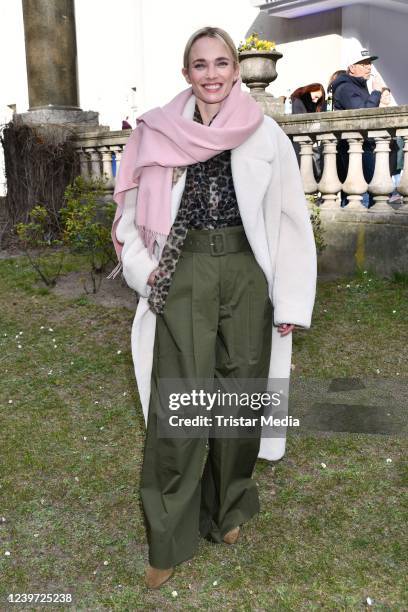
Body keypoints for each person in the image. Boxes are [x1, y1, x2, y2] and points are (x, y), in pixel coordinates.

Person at [109, 26, 317, 589]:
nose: (212, 74)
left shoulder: (265, 133)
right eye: (200, 64)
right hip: (184, 273)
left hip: (249, 273)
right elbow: (128, 216)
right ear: (186, 74)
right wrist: (145, 271)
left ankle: (227, 509)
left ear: (235, 69)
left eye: (221, 62)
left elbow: (290, 220)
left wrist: (292, 298)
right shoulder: (156, 133)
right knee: (179, 408)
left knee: (240, 395)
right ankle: (168, 537)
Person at [331, 49, 389, 207]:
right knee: (360, 195)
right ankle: (358, 231)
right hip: (354, 147)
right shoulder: (345, 87)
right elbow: (362, 115)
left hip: (364, 145)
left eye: (369, 63)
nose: (369, 67)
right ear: (352, 68)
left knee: (370, 192)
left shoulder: (358, 86)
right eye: (363, 64)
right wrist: (376, 92)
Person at [290, 83, 326, 181]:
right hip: (298, 141)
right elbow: (300, 121)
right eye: (316, 96)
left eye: (318, 98)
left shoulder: (309, 103)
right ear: (310, 90)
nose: (316, 100)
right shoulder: (298, 100)